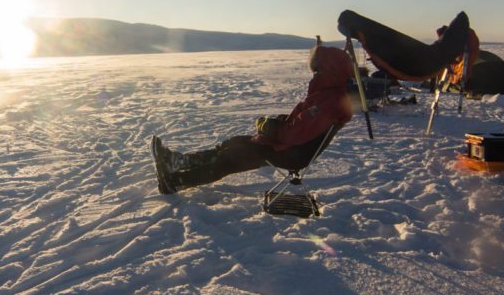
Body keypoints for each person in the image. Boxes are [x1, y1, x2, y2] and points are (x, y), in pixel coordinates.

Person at [151, 45, 354, 194]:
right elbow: (301, 122)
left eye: (317, 67)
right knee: (234, 143)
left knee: (233, 157)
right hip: (289, 147)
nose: (314, 71)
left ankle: (175, 182)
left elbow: (298, 133)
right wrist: (277, 123)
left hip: (293, 153)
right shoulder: (326, 94)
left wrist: (273, 129)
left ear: (329, 69)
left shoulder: (330, 101)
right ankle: (178, 162)